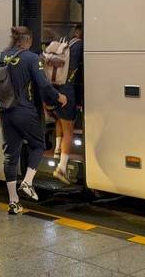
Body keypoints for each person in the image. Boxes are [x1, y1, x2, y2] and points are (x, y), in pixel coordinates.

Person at [0, 26, 67, 214]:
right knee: (39, 145)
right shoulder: (32, 58)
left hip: (6, 113)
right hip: (25, 111)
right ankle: (27, 182)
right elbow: (43, 84)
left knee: (11, 155)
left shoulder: (0, 56)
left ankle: (13, 202)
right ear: (28, 41)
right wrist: (59, 97)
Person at [50, 25, 83, 184]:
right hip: (68, 90)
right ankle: (62, 168)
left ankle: (57, 149)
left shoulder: (65, 44)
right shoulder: (80, 46)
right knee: (69, 129)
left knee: (60, 120)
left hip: (56, 88)